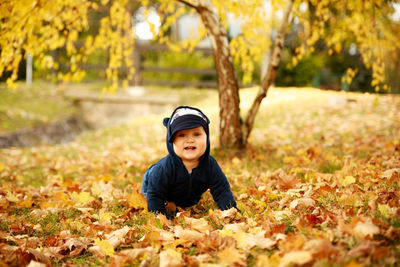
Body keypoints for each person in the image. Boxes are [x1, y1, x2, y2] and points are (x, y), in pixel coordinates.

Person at [141, 106, 237, 215]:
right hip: (154, 187)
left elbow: (222, 189)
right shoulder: (163, 169)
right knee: (148, 198)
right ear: (171, 141)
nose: (190, 140)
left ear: (207, 138)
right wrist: (160, 218)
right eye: (181, 135)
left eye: (197, 134)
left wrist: (230, 211)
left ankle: (186, 201)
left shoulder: (210, 165)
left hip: (188, 195)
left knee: (187, 201)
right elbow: (155, 195)